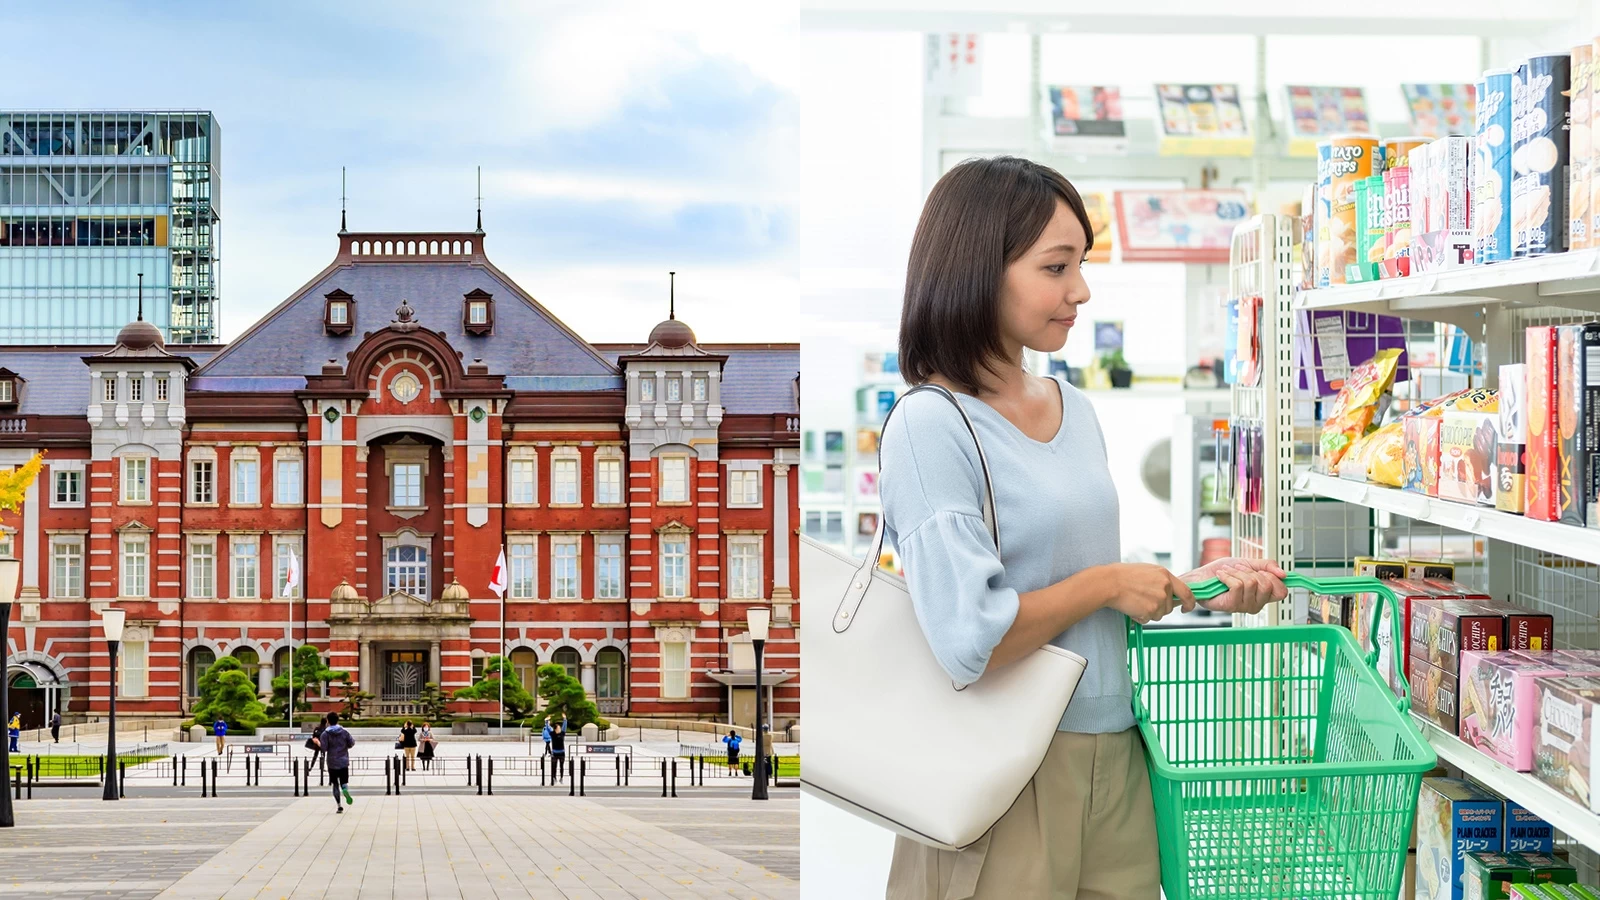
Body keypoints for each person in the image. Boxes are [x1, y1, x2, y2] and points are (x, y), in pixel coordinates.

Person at [878, 156, 1288, 898]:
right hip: (1007, 768)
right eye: (1056, 267)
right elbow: (973, 636)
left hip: (1121, 755)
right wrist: (1108, 582)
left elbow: (1081, 596)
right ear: (979, 271)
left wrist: (1197, 592)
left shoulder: (1075, 407)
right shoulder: (930, 427)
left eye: (1082, 263)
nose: (1081, 290)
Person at [321, 711, 356, 813]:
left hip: (332, 762)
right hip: (343, 761)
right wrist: (345, 747)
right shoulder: (344, 732)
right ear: (337, 720)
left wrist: (317, 743)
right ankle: (345, 789)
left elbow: (324, 748)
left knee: (335, 784)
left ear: (328, 721)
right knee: (344, 782)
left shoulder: (325, 734)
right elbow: (352, 743)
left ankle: (339, 806)